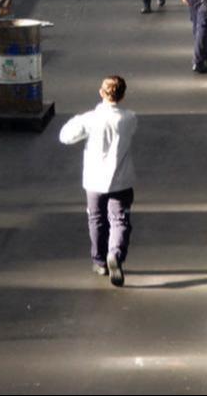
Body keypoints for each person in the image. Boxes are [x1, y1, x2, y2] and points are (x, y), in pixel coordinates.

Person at [58, 75, 139, 288]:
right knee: (119, 220)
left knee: (96, 219)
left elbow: (65, 136)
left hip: (94, 180)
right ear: (122, 95)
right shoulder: (130, 118)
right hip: (121, 180)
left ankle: (100, 261)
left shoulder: (90, 119)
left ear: (101, 93)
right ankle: (116, 254)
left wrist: (79, 119)